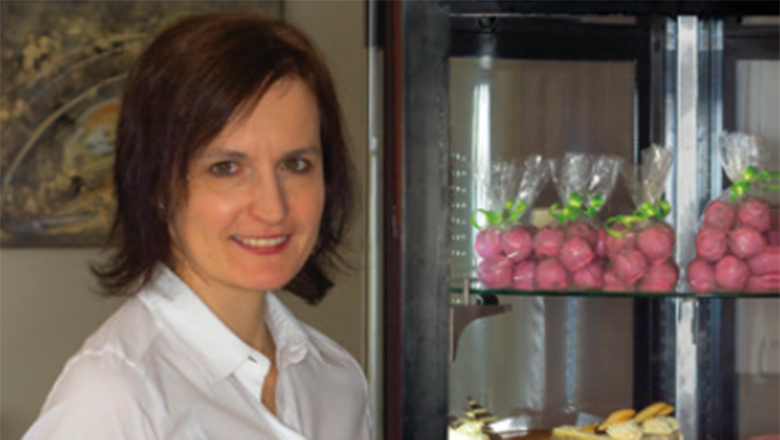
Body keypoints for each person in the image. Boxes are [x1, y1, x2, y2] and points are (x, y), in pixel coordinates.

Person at [22, 12, 371, 440]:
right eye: (226, 167)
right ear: (157, 185)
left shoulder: (338, 382)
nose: (272, 207)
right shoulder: (113, 395)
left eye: (295, 164)